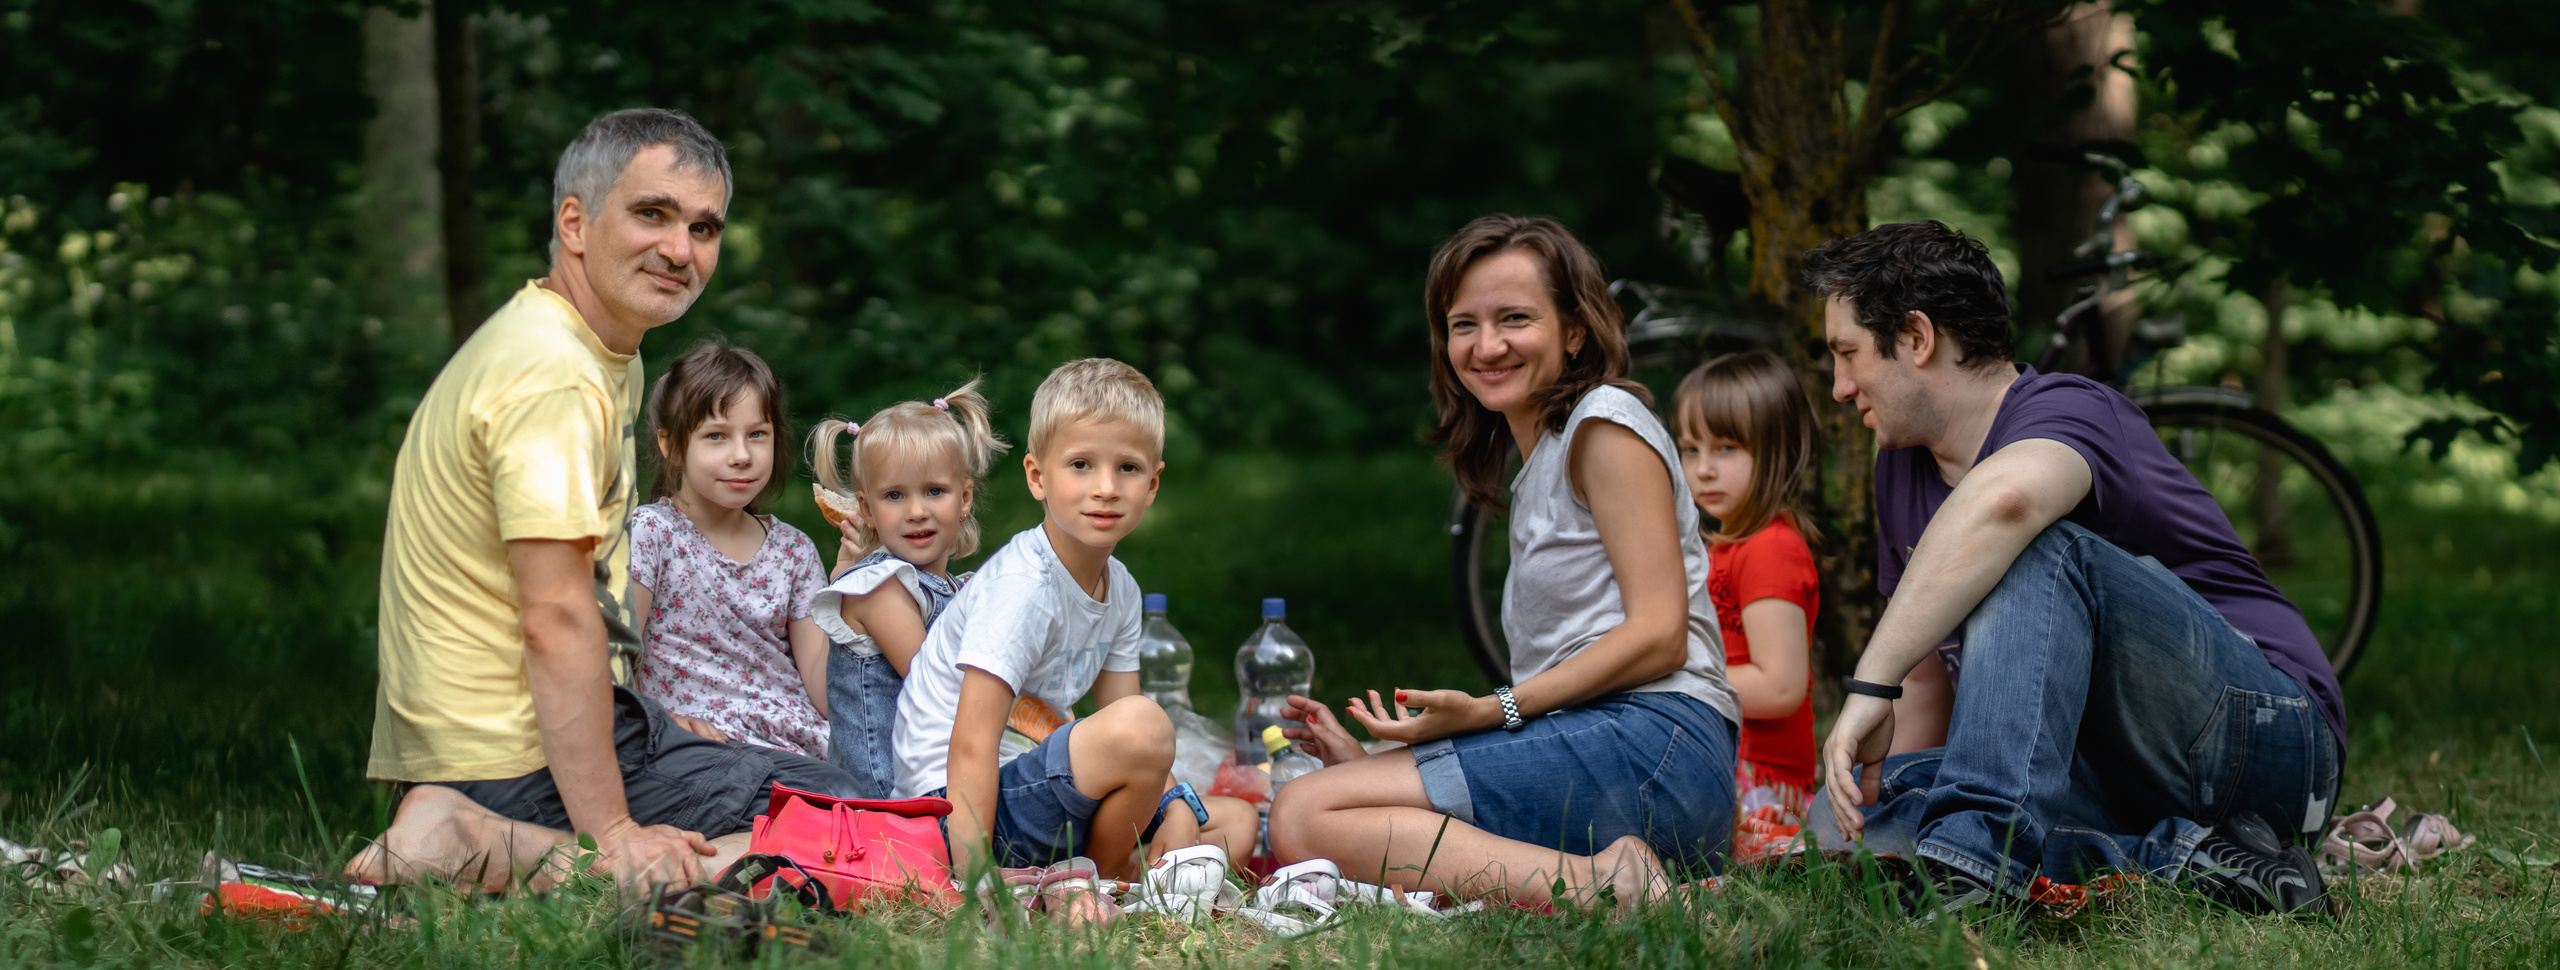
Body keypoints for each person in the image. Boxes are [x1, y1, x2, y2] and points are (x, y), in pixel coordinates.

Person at [346, 109, 857, 892]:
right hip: (507, 755)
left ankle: (464, 825)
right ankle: (494, 844)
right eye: (652, 214)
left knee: (848, 792)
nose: (681, 250)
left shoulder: (585, 349)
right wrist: (612, 831)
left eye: (704, 227)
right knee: (868, 818)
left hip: (514, 743)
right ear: (575, 223)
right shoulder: (553, 373)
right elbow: (554, 617)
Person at [1807, 221, 2339, 918]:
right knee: (1837, 820)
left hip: (2266, 740)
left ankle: (1976, 869)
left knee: (2028, 546)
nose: (1841, 388)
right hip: (2107, 772)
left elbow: (2006, 503)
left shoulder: (2073, 410)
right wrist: (1881, 791)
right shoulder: (1900, 468)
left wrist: (1866, 685)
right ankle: (2192, 859)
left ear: (1916, 337)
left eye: (1848, 354)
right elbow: (1925, 683)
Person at [1265, 215, 1742, 908]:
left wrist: (1493, 711)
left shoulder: (1604, 424)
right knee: (1323, 805)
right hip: (1616, 749)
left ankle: (1605, 887)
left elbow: (1659, 633)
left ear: (1574, 330)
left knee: (1304, 815)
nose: (1487, 346)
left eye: (1515, 318)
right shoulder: (1544, 457)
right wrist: (1377, 768)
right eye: (1464, 325)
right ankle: (1612, 876)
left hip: (1659, 749)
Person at [889, 358, 1253, 879]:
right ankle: (1102, 880)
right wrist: (974, 883)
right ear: (1038, 477)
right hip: (962, 812)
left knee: (1233, 823)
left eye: (1127, 468)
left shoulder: (1120, 587)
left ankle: (1088, 878)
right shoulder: (1023, 586)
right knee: (1148, 727)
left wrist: (1176, 805)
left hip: (1040, 796)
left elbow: (1130, 736)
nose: (1105, 487)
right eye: (1081, 465)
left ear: (1152, 485)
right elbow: (971, 742)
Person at [804, 379, 1010, 798]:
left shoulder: (956, 587)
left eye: (934, 491)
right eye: (895, 495)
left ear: (964, 497)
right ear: (867, 509)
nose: (917, 511)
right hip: (891, 798)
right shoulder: (880, 589)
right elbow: (938, 686)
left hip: (940, 774)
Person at [628, 339, 829, 757]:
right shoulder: (653, 534)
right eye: (716, 436)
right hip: (700, 745)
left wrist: (850, 584)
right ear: (671, 446)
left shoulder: (794, 550)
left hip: (800, 743)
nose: (742, 455)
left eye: (757, 434)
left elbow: (824, 692)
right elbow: (616, 657)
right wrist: (655, 719)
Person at [1671, 350, 1821, 867]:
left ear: (1777, 451)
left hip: (1762, 783)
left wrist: (1677, 682)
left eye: (1726, 447)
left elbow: (1779, 687)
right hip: (1729, 757)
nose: (1703, 469)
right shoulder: (1726, 547)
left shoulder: (1771, 549)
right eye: (1690, 450)